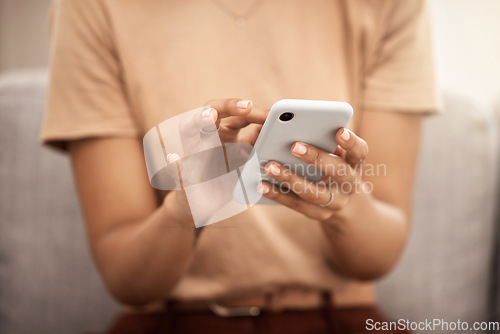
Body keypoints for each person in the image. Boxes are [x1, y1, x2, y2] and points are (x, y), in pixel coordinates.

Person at [41, 0, 439, 333]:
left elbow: (378, 257)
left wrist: (346, 205)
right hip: (173, 321)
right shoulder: (92, 6)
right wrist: (186, 210)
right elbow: (126, 279)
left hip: (336, 315)